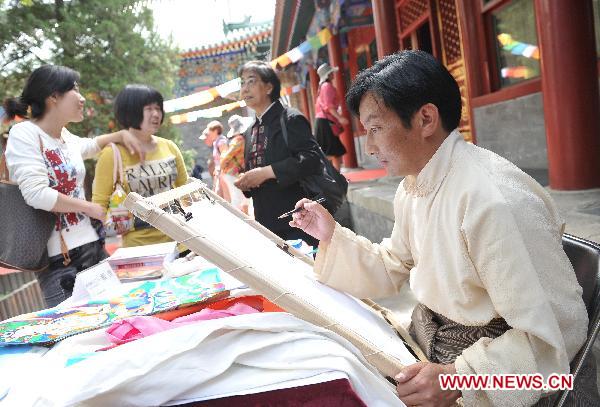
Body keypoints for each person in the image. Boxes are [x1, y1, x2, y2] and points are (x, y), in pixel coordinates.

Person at [290, 51, 595, 406]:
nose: (369, 146)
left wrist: (458, 379)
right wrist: (331, 236)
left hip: (484, 368)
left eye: (375, 128)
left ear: (425, 119)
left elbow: (553, 336)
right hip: (432, 342)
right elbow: (394, 263)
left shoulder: (494, 202)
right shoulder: (415, 185)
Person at [3, 65, 144, 307]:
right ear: (53, 96)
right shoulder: (24, 133)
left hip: (93, 248)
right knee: (78, 339)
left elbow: (88, 146)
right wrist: (90, 208)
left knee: (120, 319)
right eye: (74, 90)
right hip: (61, 265)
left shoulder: (63, 135)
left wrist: (118, 136)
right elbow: (36, 194)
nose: (81, 98)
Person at [234, 60, 322, 247]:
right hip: (266, 222)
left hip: (299, 220)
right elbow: (255, 172)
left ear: (268, 87)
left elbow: (312, 159)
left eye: (251, 81)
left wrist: (267, 172)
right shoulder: (250, 131)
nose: (245, 88)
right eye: (242, 83)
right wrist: (246, 182)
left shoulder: (290, 119)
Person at [92, 84, 188, 247]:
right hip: (138, 247)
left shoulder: (169, 146)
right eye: (149, 109)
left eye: (158, 108)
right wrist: (115, 229)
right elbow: (98, 204)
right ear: (130, 111)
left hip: (180, 241)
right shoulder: (112, 154)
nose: (156, 114)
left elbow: (185, 190)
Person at [314, 62, 349, 171]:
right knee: (332, 152)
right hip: (326, 122)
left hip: (323, 122)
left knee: (332, 152)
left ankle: (334, 176)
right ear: (327, 75)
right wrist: (340, 118)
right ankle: (333, 176)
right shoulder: (327, 86)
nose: (333, 74)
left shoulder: (322, 86)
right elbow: (329, 106)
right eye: (331, 73)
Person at [220, 114, 251, 211]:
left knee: (243, 198)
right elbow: (227, 157)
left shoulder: (240, 138)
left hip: (235, 172)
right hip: (232, 173)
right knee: (237, 198)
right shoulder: (239, 139)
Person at [200, 120, 229, 200]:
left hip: (224, 172)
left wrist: (219, 170)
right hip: (220, 172)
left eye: (210, 131)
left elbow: (226, 157)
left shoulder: (221, 142)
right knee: (218, 195)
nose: (208, 133)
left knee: (224, 197)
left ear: (215, 131)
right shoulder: (216, 142)